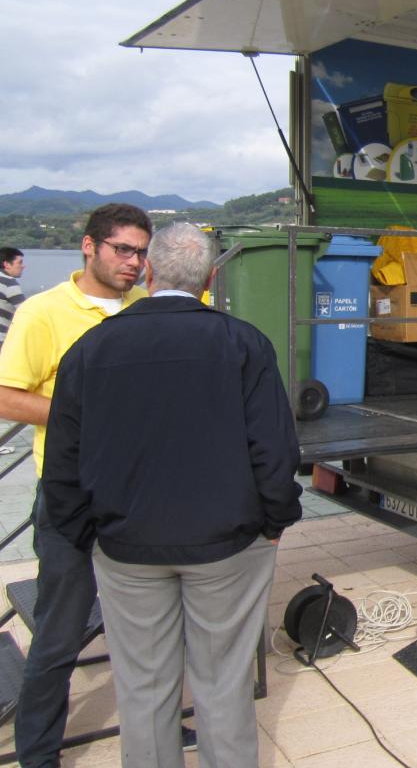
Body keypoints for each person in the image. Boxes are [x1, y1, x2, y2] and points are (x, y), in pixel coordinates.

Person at [41, 222, 303, 768]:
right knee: (223, 683)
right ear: (210, 280)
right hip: (228, 544)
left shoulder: (90, 348)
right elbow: (275, 450)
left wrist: (89, 534)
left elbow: (63, 461)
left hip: (125, 545)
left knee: (142, 686)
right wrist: (275, 522)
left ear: (149, 273)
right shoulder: (244, 343)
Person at [0, 204, 159, 767]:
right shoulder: (43, 313)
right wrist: (85, 416)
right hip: (71, 493)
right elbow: (6, 394)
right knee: (59, 631)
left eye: (142, 252)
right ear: (89, 246)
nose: (133, 262)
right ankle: (38, 753)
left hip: (140, 492)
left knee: (150, 627)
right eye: (123, 249)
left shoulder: (146, 311)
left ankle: (158, 732)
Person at [0, 247, 26, 348]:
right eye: (20, 263)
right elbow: (25, 311)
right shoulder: (9, 283)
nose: (23, 266)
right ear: (7, 264)